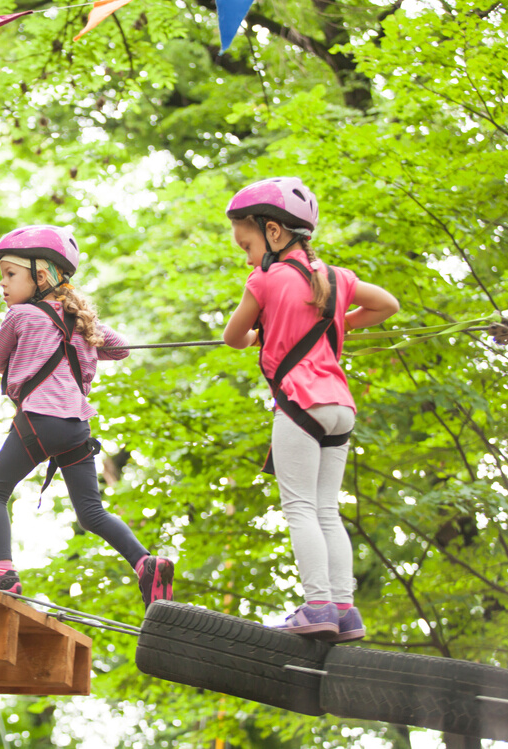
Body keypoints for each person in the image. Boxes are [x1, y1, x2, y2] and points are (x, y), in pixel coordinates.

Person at [222, 177, 399, 642]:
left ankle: (318, 605)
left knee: (299, 508)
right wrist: (337, 323)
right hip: (340, 407)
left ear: (274, 232)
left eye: (248, 243)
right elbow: (388, 305)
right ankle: (345, 608)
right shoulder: (338, 279)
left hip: (299, 405)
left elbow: (232, 338)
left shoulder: (263, 279)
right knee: (326, 510)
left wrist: (264, 331)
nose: (246, 255)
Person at [0, 224, 175, 608]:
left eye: (10, 274)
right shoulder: (81, 324)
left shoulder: (20, 316)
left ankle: (4, 571)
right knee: (91, 512)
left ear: (40, 276)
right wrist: (79, 336)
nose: (2, 284)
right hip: (76, 428)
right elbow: (119, 349)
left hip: (39, 421)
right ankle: (144, 562)